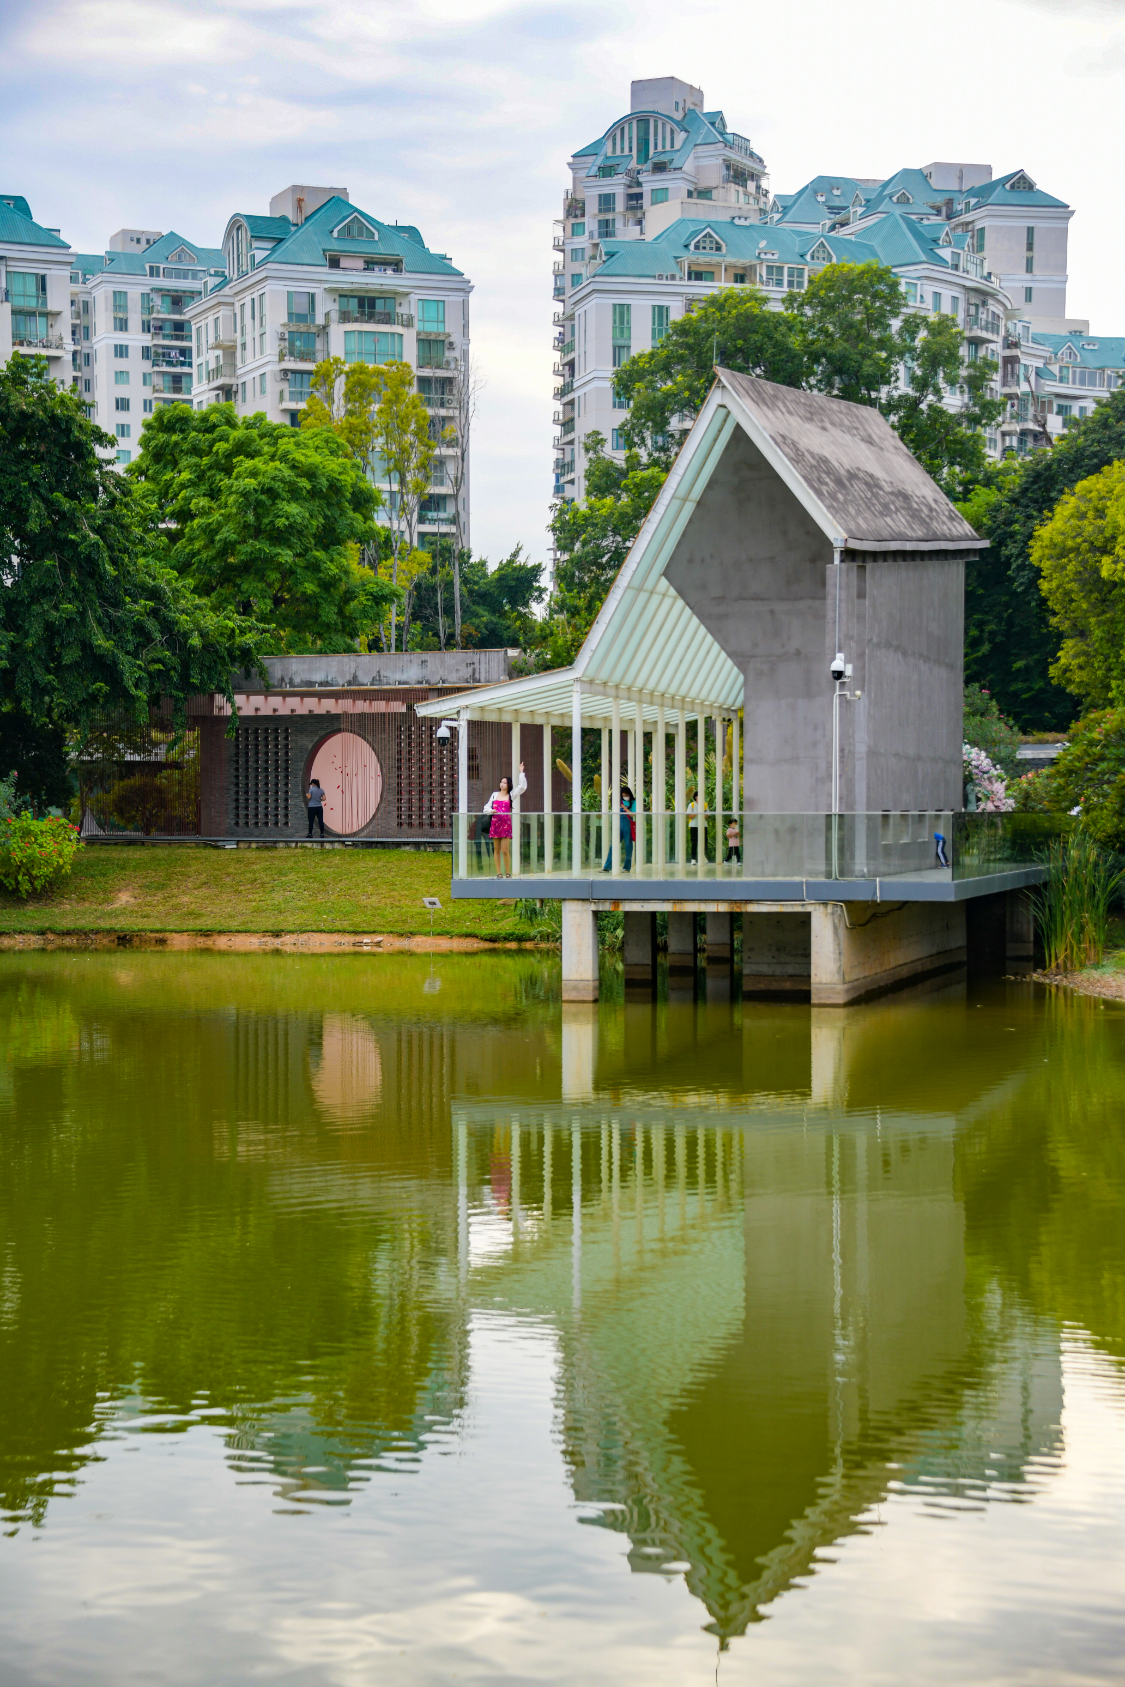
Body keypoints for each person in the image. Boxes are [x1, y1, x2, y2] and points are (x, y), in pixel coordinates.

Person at [483, 763, 527, 877]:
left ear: (508, 785)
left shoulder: (511, 795)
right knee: (496, 849)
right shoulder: (494, 795)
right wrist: (491, 810)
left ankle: (508, 872)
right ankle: (499, 873)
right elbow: (485, 808)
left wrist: (521, 772)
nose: (502, 784)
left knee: (505, 850)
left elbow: (522, 787)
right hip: (495, 824)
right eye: (501, 782)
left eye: (505, 783)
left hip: (506, 824)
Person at [602, 784, 635, 872]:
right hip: (619, 825)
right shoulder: (619, 802)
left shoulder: (633, 802)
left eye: (626, 795)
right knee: (613, 846)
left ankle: (626, 867)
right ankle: (607, 867)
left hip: (628, 825)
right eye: (623, 795)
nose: (625, 797)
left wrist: (625, 808)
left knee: (628, 846)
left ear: (629, 794)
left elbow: (633, 814)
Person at [686, 792, 706, 866]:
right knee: (694, 842)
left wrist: (704, 813)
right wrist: (697, 812)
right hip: (694, 825)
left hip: (703, 825)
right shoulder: (691, 805)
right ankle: (693, 859)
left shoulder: (705, 805)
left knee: (704, 842)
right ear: (695, 797)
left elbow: (707, 816)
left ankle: (703, 857)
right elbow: (690, 816)